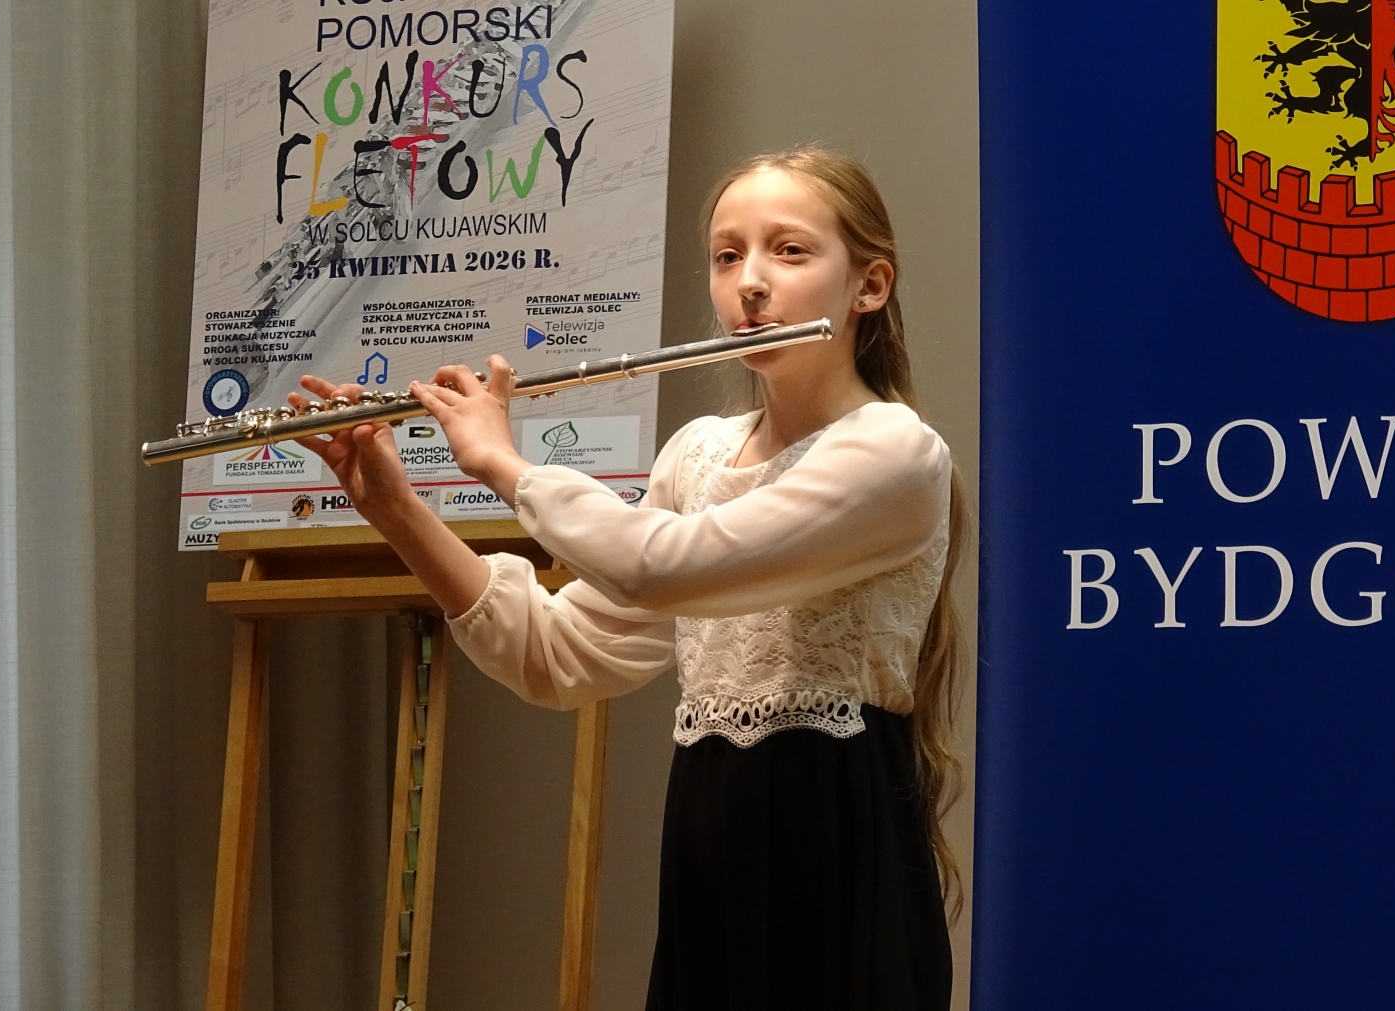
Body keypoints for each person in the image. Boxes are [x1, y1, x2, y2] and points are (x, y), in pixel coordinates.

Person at [292, 147, 967, 1010]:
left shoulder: (895, 453)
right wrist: (396, 508)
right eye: (728, 255)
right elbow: (559, 652)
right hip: (711, 844)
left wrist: (504, 463)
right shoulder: (699, 454)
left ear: (869, 285)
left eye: (790, 251)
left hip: (833, 842)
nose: (751, 282)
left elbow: (663, 567)